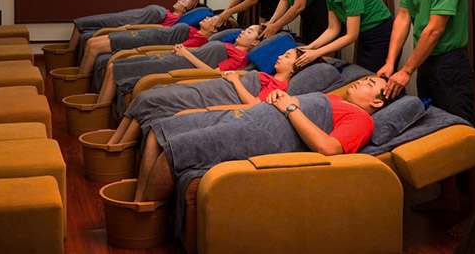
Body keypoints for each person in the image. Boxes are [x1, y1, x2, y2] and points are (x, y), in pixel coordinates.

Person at [378, 0, 475, 237]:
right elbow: (403, 17)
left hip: (449, 63)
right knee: (436, 134)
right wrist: (391, 63)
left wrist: (406, 70)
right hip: (426, 64)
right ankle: (448, 198)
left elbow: (435, 30)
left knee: (463, 138)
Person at [134, 76, 395, 202]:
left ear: (376, 102)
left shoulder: (361, 119)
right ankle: (136, 202)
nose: (361, 81)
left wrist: (290, 108)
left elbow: (328, 148)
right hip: (250, 115)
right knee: (160, 129)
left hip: (260, 133)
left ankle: (143, 221)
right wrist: (278, 98)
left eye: (370, 83)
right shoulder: (334, 99)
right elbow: (293, 106)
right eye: (365, 78)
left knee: (177, 149)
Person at [107, 47, 315, 145]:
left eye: (287, 56)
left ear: (295, 67)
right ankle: (115, 146)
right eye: (283, 52)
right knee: (151, 94)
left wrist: (235, 81)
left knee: (149, 99)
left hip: (220, 97)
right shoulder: (266, 75)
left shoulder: (280, 87)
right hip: (215, 87)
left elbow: (255, 105)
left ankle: (115, 149)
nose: (279, 55)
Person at [95, 25, 264, 105]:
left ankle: (97, 113)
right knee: (115, 65)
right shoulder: (229, 45)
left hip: (181, 65)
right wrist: (183, 50)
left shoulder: (240, 57)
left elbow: (212, 73)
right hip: (174, 58)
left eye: (249, 32)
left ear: (256, 42)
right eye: (245, 29)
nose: (243, 32)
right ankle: (97, 111)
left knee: (115, 68)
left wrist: (186, 54)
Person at [297, 0, 394, 73]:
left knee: (374, 75)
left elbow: (351, 36)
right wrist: (310, 47)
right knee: (363, 73)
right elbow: (333, 29)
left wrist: (317, 52)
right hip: (364, 35)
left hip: (380, 35)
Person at [77, 15, 228, 77]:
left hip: (146, 41)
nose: (207, 17)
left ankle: (78, 83)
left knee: (93, 46)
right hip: (146, 34)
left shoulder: (200, 41)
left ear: (214, 30)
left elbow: (175, 50)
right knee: (90, 42)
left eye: (212, 19)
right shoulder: (193, 29)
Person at [67, 0, 193, 51]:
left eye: (183, 1)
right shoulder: (167, 12)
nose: (178, 0)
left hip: (136, 21)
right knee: (83, 24)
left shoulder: (175, 21)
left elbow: (153, 29)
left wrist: (126, 28)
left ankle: (67, 58)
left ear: (186, 10)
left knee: (83, 24)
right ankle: (68, 55)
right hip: (135, 15)